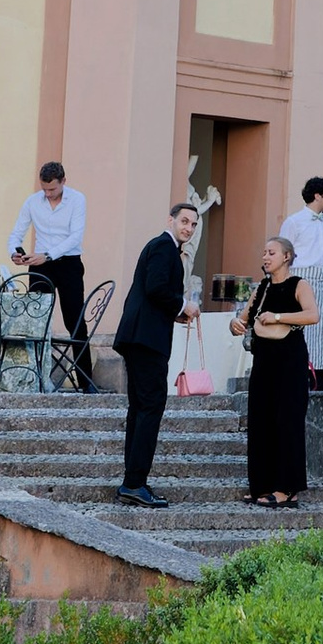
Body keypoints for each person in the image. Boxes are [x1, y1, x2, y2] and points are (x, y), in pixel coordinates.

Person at [113, 195, 201, 503]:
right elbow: (156, 287)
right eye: (184, 222)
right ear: (171, 221)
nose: (188, 228)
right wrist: (184, 306)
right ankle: (135, 483)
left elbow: (152, 293)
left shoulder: (160, 247)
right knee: (150, 408)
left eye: (193, 224)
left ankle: (132, 482)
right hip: (146, 340)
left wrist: (175, 313)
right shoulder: (165, 247)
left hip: (139, 337)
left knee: (140, 408)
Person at [233, 233, 318, 503]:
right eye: (264, 253)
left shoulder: (298, 284)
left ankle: (287, 489)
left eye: (271, 252)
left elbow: (312, 315)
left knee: (287, 422)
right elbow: (244, 319)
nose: (265, 257)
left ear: (286, 256)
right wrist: (235, 324)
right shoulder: (262, 288)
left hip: (290, 362)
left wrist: (278, 316)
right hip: (263, 362)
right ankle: (262, 485)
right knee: (260, 421)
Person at [7, 160, 92, 390]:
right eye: (44, 189)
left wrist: (48, 254)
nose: (48, 193)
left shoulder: (77, 200)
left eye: (52, 189)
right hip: (39, 265)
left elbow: (75, 237)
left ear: (63, 181)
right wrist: (15, 251)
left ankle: (86, 382)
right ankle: (35, 379)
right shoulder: (33, 201)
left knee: (75, 321)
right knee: (37, 321)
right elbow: (17, 232)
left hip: (68, 263)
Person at [279, 175, 323, 386]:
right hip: (301, 279)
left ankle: (319, 374)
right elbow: (283, 254)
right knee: (301, 329)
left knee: (321, 332)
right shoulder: (294, 222)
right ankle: (299, 372)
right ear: (317, 195)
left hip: (322, 279)